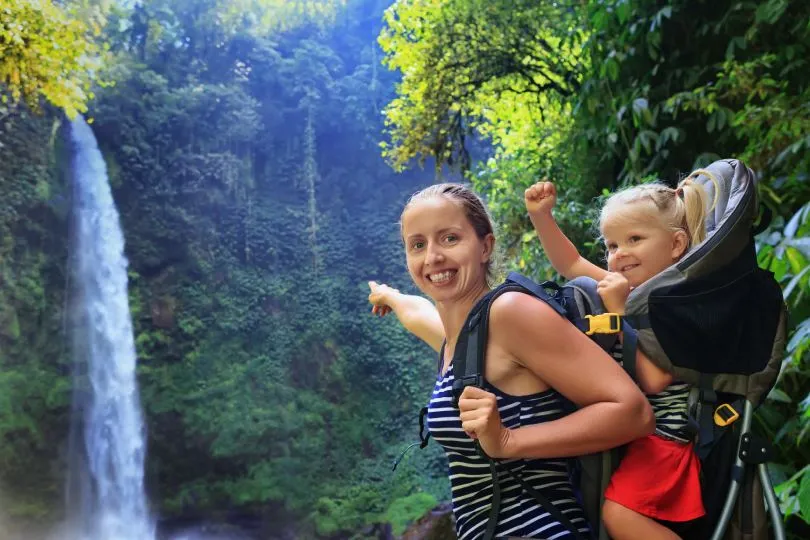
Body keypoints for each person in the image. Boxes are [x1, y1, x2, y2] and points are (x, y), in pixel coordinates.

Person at [370, 183, 655, 540]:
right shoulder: (457, 341)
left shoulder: (510, 314)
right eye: (418, 245)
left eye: (449, 239)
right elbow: (419, 314)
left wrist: (507, 441)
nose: (432, 258)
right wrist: (390, 296)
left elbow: (633, 412)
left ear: (485, 246)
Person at [524, 173, 716, 540]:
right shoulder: (634, 292)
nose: (619, 254)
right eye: (612, 246)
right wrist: (542, 218)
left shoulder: (679, 302)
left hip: (667, 437)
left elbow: (656, 380)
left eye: (635, 239)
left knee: (619, 517)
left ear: (676, 244)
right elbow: (573, 265)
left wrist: (619, 316)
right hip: (639, 433)